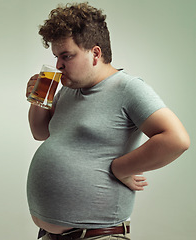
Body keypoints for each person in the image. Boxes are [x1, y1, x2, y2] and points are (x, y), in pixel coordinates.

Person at [26, 2, 190, 240]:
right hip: (50, 235)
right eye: (56, 57)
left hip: (96, 235)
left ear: (95, 53)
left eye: (66, 56)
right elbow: (40, 133)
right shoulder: (69, 89)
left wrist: (120, 168)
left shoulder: (129, 88)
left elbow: (177, 139)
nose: (58, 65)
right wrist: (38, 100)